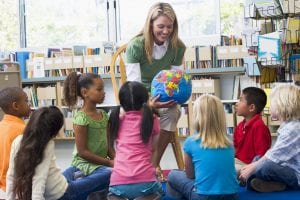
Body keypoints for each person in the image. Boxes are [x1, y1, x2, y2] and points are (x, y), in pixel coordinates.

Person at [125, 2, 186, 179]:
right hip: (139, 97)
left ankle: (152, 165)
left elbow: (177, 80)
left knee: (172, 112)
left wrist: (174, 97)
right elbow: (133, 86)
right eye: (160, 26)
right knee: (142, 115)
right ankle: (143, 165)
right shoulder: (136, 46)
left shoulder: (178, 47)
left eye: (169, 26)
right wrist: (149, 103)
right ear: (150, 24)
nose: (165, 31)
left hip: (165, 96)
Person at [6, 106, 106, 199]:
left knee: (77, 167)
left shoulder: (18, 140)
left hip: (58, 180)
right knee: (108, 173)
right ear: (53, 130)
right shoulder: (47, 144)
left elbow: (11, 175)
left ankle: (78, 176)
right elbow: (39, 179)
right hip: (64, 193)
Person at [167, 94, 238, 200]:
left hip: (203, 196)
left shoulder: (191, 141)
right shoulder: (229, 142)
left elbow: (190, 175)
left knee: (173, 174)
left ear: (197, 117)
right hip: (231, 196)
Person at [107, 81, 163, 200]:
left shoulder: (116, 119)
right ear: (145, 101)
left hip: (118, 183)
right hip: (145, 182)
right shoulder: (153, 120)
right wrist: (153, 171)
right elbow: (154, 151)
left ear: (122, 102)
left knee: (113, 193)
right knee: (160, 191)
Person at [239, 84, 300, 192]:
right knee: (258, 159)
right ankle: (271, 184)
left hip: (296, 175)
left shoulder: (293, 129)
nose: (270, 106)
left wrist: (251, 168)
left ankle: (251, 179)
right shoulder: (287, 125)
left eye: (272, 103)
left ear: (282, 105)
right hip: (287, 166)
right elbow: (274, 153)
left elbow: (272, 156)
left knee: (265, 166)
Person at [63, 72, 114, 197]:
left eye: (103, 89)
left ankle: (72, 188)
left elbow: (109, 146)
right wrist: (108, 163)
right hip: (83, 163)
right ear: (85, 92)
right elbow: (82, 152)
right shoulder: (81, 118)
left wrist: (116, 159)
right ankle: (71, 190)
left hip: (100, 164)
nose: (104, 92)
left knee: (114, 171)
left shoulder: (104, 115)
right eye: (99, 89)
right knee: (109, 173)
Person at [234, 87, 271, 174]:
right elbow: (235, 149)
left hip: (252, 165)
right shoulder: (240, 126)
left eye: (241, 100)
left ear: (251, 107)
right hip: (238, 163)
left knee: (230, 170)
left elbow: (261, 157)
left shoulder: (259, 127)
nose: (237, 104)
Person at [0, 87, 31, 193]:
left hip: (3, 185)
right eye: (26, 101)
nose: (29, 104)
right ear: (16, 106)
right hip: (18, 187)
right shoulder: (23, 131)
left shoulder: (1, 126)